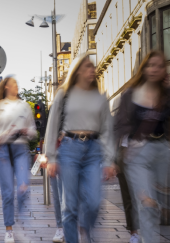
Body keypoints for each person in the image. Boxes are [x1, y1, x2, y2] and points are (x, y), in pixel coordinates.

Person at [45, 54, 116, 243]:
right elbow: (52, 125)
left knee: (93, 202)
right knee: (70, 206)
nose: (92, 69)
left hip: (94, 150)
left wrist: (109, 160)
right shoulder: (64, 94)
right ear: (77, 71)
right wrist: (51, 157)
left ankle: (85, 228)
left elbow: (107, 130)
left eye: (92, 66)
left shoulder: (100, 97)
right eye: (87, 66)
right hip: (69, 149)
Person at [113, 51, 170, 243]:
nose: (154, 69)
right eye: (150, 65)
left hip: (162, 149)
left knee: (157, 204)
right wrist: (118, 153)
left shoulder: (167, 94)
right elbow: (119, 125)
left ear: (164, 69)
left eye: (158, 65)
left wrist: (169, 90)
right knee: (147, 204)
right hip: (137, 153)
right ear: (144, 69)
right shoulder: (130, 94)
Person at [0, 75, 36, 243]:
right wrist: (4, 133)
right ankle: (9, 229)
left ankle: (21, 222)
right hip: (3, 151)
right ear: (6, 87)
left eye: (17, 83)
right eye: (13, 84)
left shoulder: (24, 106)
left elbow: (34, 130)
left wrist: (26, 131)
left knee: (23, 187)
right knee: (7, 193)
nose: (16, 86)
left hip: (21, 148)